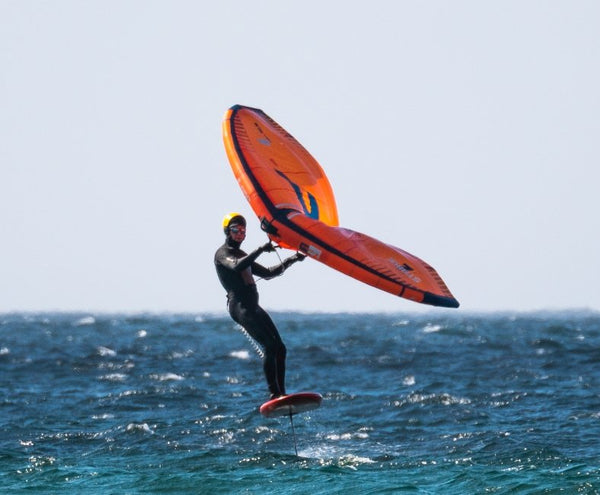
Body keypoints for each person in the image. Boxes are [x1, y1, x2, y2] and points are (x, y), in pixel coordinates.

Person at [214, 212, 305, 399]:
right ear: (227, 231)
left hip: (253, 305)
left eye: (242, 230)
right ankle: (274, 393)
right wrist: (261, 249)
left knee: (280, 348)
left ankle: (282, 393)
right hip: (240, 307)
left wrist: (293, 259)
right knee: (270, 347)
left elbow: (269, 273)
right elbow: (238, 266)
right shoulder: (223, 254)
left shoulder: (243, 255)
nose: (239, 233)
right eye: (235, 230)